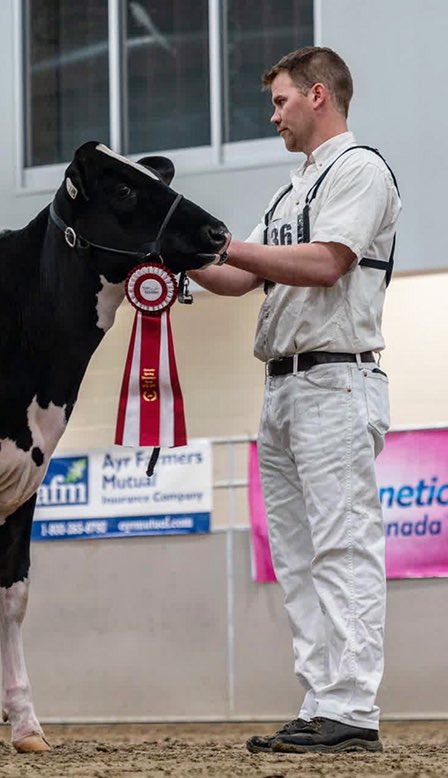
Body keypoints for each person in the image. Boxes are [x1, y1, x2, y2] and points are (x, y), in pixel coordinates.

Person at [191, 47, 401, 753]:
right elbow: (240, 277)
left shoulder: (360, 169)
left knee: (342, 545)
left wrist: (229, 247)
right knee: (297, 554)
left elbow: (326, 262)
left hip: (337, 379)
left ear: (319, 95)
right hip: (282, 385)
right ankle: (321, 701)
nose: (273, 113)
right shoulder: (289, 192)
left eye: (280, 100)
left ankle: (353, 709)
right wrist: (172, 258)